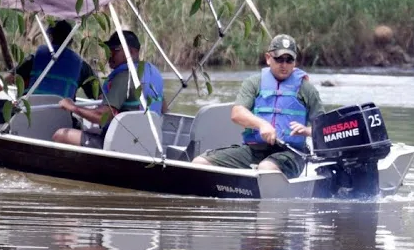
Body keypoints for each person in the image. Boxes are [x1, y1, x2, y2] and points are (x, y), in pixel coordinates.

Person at [192, 34, 324, 178]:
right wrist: (262, 125)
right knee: (199, 163)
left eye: (289, 60)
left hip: (291, 154)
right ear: (268, 58)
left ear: (294, 62)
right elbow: (237, 113)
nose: (284, 64)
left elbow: (325, 129)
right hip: (254, 150)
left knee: (266, 168)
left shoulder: (306, 89)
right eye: (279, 59)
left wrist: (306, 130)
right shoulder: (254, 83)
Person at [0, 19, 98, 117]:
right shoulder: (83, 67)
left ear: (50, 37)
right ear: (70, 41)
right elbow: (100, 99)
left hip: (28, 117)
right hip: (61, 122)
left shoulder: (34, 59)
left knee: (1, 109)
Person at [51, 30, 165, 148]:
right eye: (108, 50)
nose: (109, 55)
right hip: (148, 143)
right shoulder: (153, 72)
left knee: (60, 135)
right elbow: (164, 108)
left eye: (114, 51)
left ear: (131, 52)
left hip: (123, 144)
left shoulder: (123, 77)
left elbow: (101, 117)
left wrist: (73, 107)